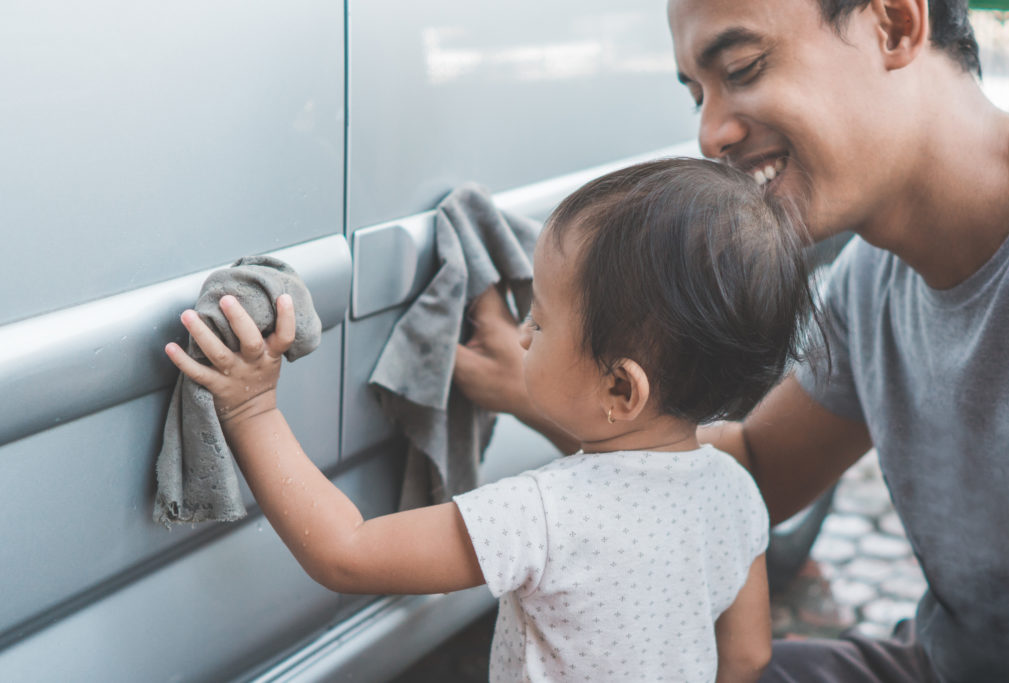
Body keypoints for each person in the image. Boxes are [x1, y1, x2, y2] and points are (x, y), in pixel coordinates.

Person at [454, 0, 1009, 681]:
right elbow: (750, 470)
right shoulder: (871, 282)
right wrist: (546, 376)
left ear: (894, 25)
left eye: (742, 68)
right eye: (699, 93)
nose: (710, 133)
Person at [165, 157, 818, 682]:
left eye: (541, 318)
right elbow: (746, 657)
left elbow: (348, 551)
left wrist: (252, 406)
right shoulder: (736, 491)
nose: (523, 334)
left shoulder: (544, 513)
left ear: (620, 388)